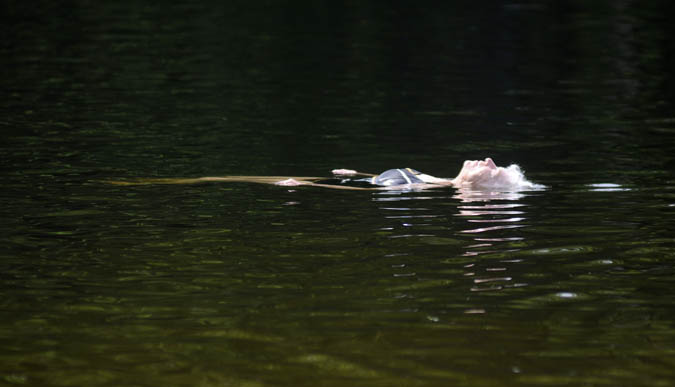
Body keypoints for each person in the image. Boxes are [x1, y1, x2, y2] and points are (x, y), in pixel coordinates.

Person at [112, 158, 536, 191]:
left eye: (493, 168)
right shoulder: (433, 182)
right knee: (215, 177)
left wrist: (309, 189)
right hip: (345, 177)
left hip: (312, 186)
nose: (486, 159)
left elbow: (368, 196)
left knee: (222, 179)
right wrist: (359, 171)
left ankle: (136, 184)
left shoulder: (426, 194)